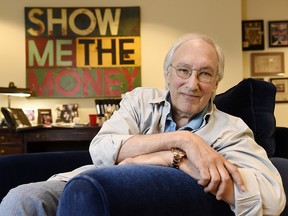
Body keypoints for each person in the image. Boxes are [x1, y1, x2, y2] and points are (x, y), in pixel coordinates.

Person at [0, 33, 286, 215]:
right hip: (84, 184)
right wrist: (183, 143)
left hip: (148, 203)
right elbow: (102, 148)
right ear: (168, 73)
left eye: (205, 74)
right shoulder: (139, 101)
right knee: (22, 199)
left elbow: (272, 198)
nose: (192, 84)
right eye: (183, 70)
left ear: (216, 83)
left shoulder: (231, 129)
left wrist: (175, 162)